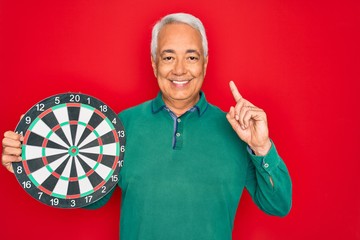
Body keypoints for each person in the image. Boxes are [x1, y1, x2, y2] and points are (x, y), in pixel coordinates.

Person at [2, 13, 292, 240]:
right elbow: (91, 198)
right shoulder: (119, 126)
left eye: (191, 57)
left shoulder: (236, 129)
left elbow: (278, 205)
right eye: (168, 57)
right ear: (154, 65)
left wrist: (261, 146)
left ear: (204, 64)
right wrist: (28, 161)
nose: (179, 69)